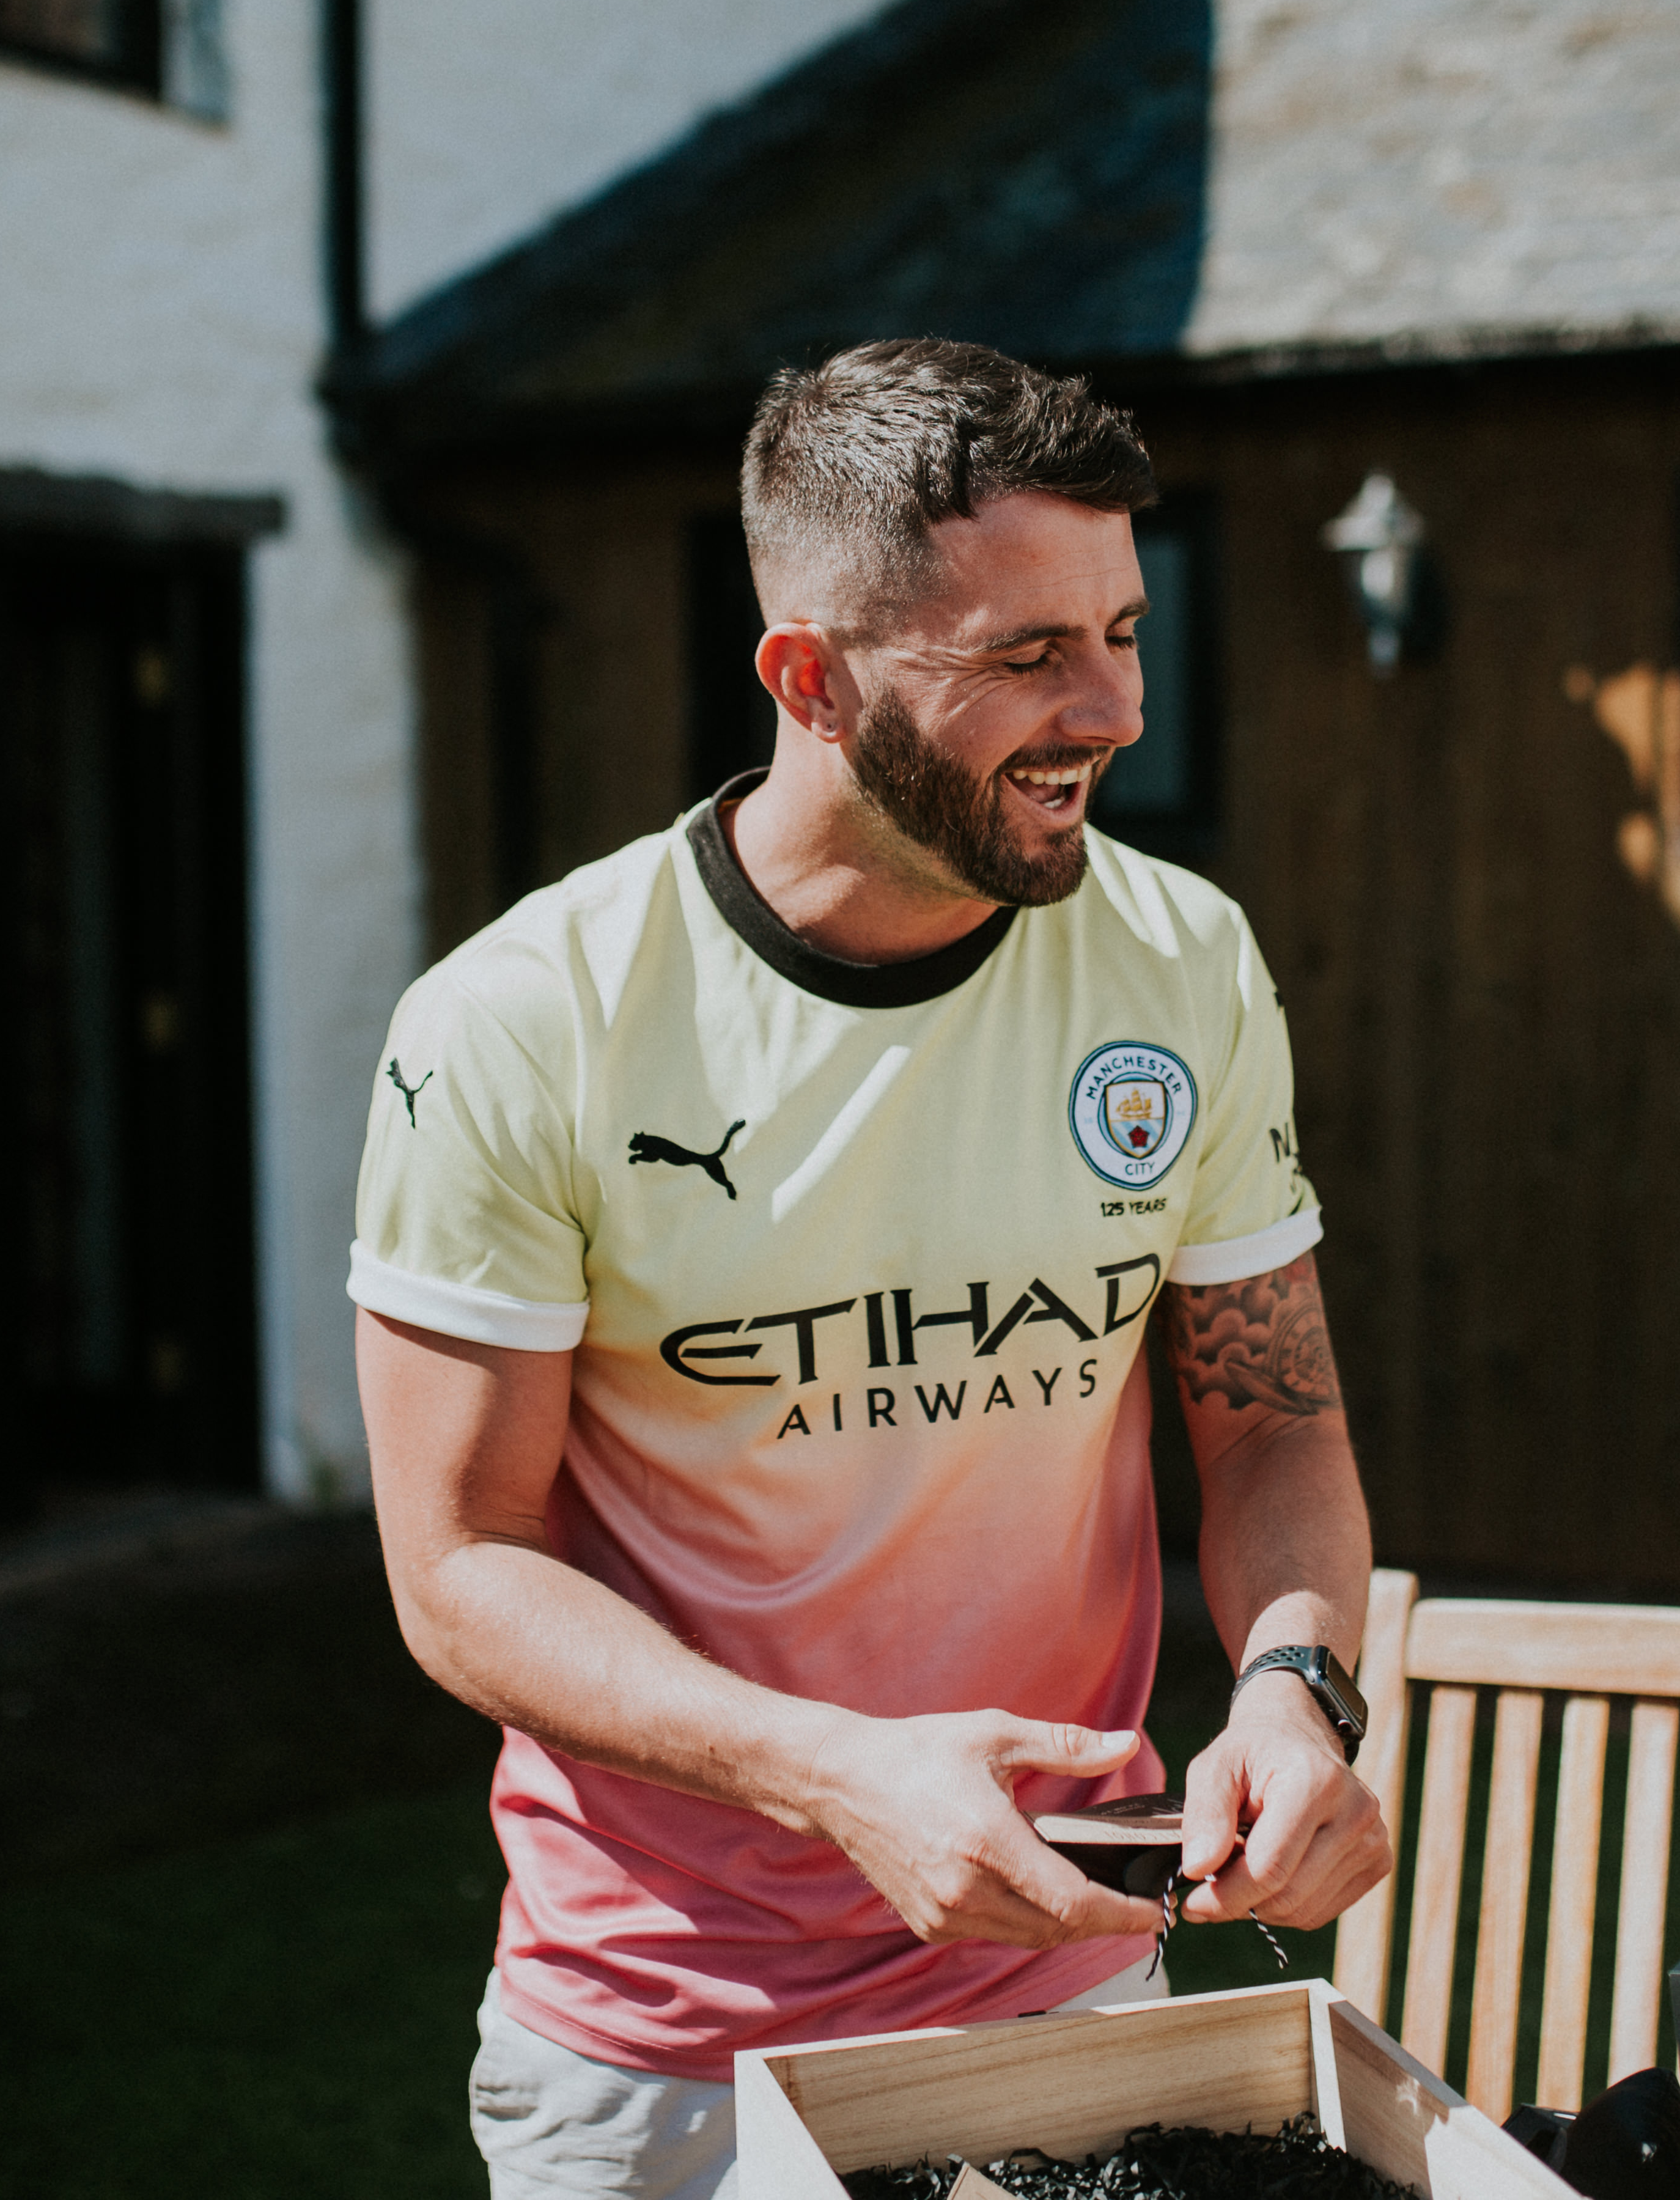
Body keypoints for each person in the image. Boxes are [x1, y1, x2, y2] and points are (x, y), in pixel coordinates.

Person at [351, 338, 1390, 2200]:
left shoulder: (1185, 963)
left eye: (1123, 631)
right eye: (1023, 656)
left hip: (1077, 1986)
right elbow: (458, 1573)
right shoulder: (520, 1023)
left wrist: (1295, 1693)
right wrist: (831, 1771)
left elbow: (1272, 1428)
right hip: (663, 2048)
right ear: (809, 680)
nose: (1114, 711)